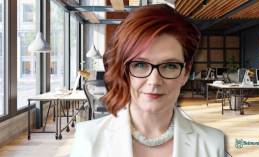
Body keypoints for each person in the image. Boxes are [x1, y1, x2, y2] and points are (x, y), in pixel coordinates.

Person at [70, 4, 224, 157]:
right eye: (140, 64)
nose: (154, 81)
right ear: (124, 71)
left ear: (186, 72)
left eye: (170, 66)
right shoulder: (87, 138)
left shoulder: (212, 142)